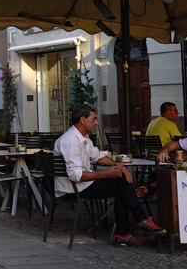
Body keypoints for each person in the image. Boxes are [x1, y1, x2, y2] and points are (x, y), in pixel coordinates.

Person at [55, 104, 166, 246]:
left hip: (82, 183)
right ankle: (133, 226)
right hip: (71, 188)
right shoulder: (70, 141)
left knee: (122, 182)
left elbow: (97, 156)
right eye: (94, 119)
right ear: (82, 119)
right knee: (123, 188)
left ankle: (132, 228)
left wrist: (117, 166)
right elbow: (75, 175)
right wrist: (105, 174)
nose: (97, 123)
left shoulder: (83, 138)